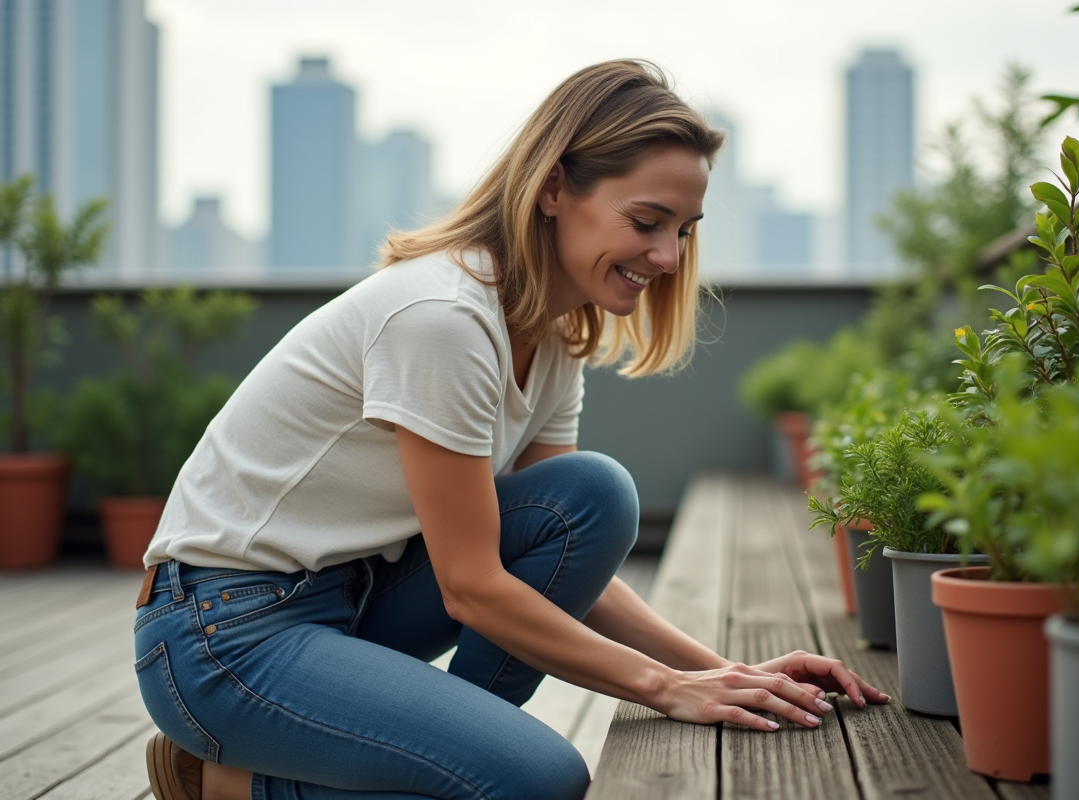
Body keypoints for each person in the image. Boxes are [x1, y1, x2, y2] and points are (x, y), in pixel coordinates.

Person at [136, 59, 888, 800]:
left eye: (684, 230)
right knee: (539, 780)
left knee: (590, 495)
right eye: (647, 221)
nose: (667, 256)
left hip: (354, 598)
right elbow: (472, 586)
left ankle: (461, 755)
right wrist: (665, 688)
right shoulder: (442, 318)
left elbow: (557, 555)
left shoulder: (554, 333)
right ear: (556, 187)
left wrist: (721, 672)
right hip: (224, 635)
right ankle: (224, 784)